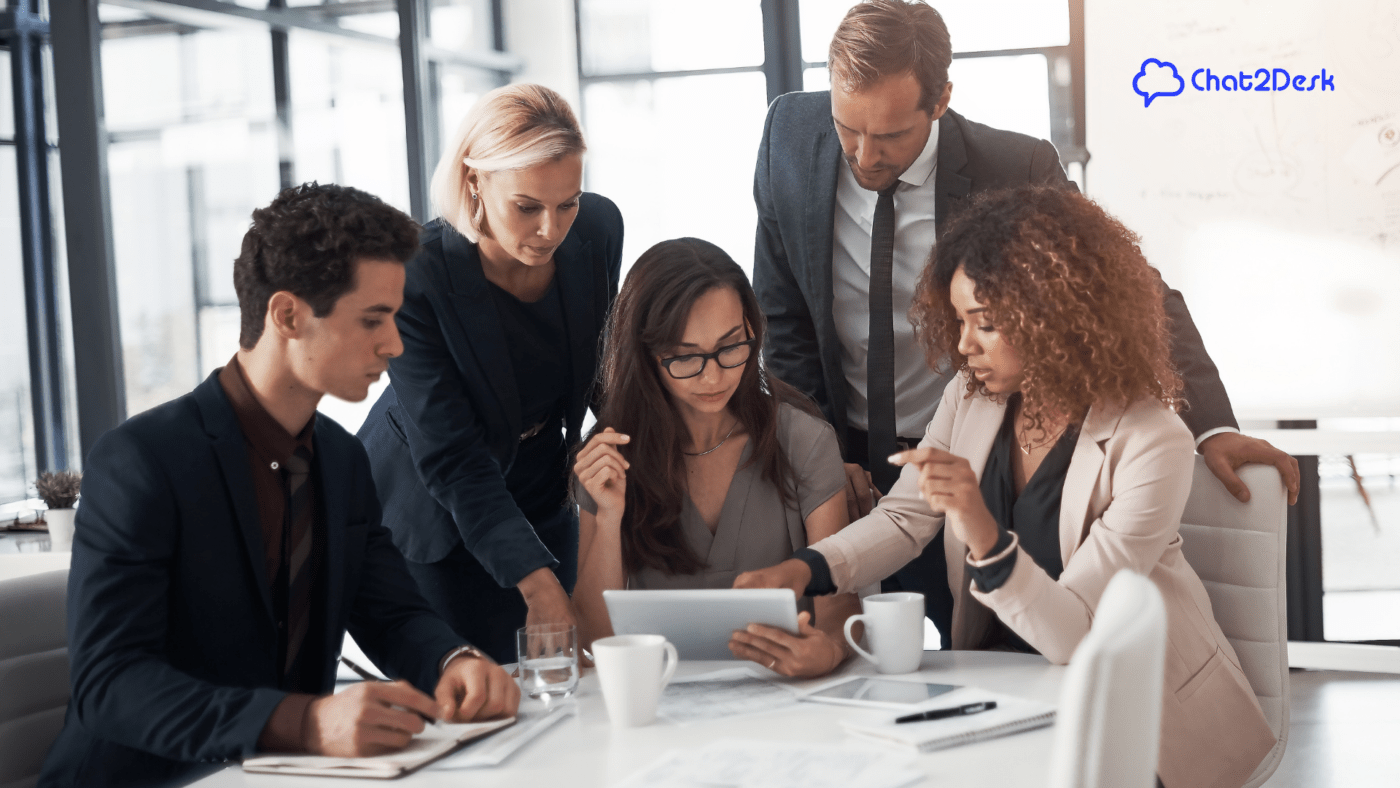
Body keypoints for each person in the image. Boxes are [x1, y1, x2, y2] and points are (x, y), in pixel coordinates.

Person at [751, 0, 1299, 649]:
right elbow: (784, 315)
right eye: (848, 128)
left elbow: (1128, 285)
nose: (864, 156)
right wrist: (821, 456)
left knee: (985, 631)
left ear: (940, 100)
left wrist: (1211, 423)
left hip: (982, 448)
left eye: (891, 136)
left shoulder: (1012, 166)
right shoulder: (789, 135)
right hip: (860, 455)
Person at [739, 186, 1277, 788]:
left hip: (1134, 716)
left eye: (987, 324)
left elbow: (1075, 633)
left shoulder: (1153, 439)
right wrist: (806, 569)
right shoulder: (970, 398)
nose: (963, 345)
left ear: (1056, 316)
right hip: (1003, 688)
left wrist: (981, 528)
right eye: (960, 320)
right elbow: (904, 517)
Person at [39, 183, 519, 788]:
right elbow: (109, 684)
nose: (395, 344)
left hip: (282, 778)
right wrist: (304, 723)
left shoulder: (342, 459)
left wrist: (454, 660)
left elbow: (391, 614)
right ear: (287, 315)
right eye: (373, 320)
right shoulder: (143, 460)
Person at [357, 84, 623, 664]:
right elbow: (453, 458)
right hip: (437, 508)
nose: (551, 229)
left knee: (562, 675)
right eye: (527, 207)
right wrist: (537, 583)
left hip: (539, 483)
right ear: (474, 181)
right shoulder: (417, 275)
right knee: (482, 690)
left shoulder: (598, 229)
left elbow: (605, 366)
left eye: (568, 203)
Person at [570, 238, 859, 678]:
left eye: (731, 347)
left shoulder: (803, 440)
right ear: (646, 355)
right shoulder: (611, 455)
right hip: (660, 694)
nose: (713, 377)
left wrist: (828, 652)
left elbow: (838, 617)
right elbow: (593, 641)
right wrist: (609, 519)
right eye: (686, 357)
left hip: (786, 693)